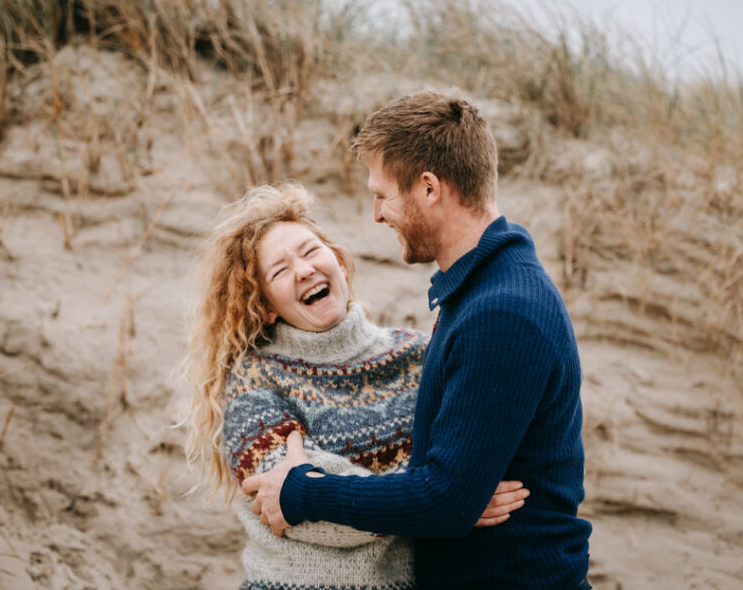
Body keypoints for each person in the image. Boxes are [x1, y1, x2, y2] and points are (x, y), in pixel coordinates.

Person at [243, 92, 593, 588]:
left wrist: (303, 492)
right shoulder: (485, 290)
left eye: (382, 195)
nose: (377, 215)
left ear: (429, 188)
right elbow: (448, 490)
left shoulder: (502, 313)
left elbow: (444, 502)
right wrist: (455, 495)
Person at [182, 183, 528, 589]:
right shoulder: (254, 379)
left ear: (340, 263)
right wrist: (447, 501)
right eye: (279, 271)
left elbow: (468, 459)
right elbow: (301, 513)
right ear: (264, 306)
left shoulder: (416, 354)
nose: (304, 269)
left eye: (311, 251)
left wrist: (447, 495)